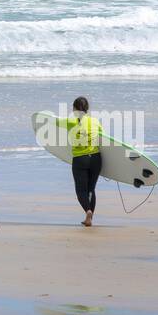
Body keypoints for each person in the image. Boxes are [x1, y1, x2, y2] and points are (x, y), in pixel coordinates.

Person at [58, 95, 105, 227]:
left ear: (74, 109)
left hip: (80, 159)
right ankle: (89, 217)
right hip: (96, 159)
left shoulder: (71, 122)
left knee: (81, 191)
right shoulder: (95, 122)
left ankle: (88, 211)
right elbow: (104, 138)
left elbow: (54, 122)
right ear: (87, 109)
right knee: (91, 189)